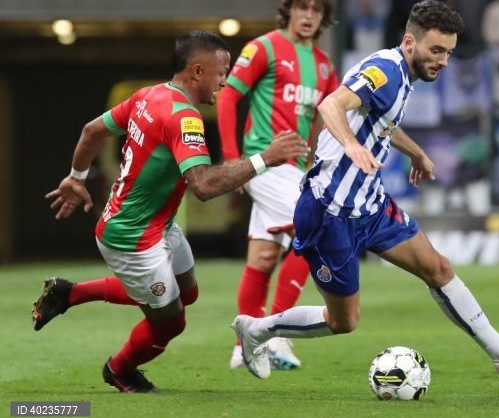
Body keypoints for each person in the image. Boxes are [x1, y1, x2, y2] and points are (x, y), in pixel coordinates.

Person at [231, 0, 499, 381]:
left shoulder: (403, 77)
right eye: (436, 51)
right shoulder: (385, 70)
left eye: (449, 53)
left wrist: (417, 153)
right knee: (344, 321)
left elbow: (383, 120)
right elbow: (331, 105)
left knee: (438, 268)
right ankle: (256, 330)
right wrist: (353, 147)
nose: (443, 61)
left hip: (369, 206)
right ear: (409, 42)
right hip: (329, 211)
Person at [32, 30, 309, 393]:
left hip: (157, 226)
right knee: (171, 323)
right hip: (132, 239)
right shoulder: (185, 118)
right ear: (196, 71)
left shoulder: (148, 95)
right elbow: (205, 186)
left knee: (186, 293)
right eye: (221, 72)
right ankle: (119, 370)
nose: (224, 82)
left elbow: (91, 131)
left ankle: (70, 293)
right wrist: (265, 159)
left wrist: (76, 177)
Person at [216, 0, 339, 371]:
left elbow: (329, 117)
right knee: (315, 234)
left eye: (315, 10)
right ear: (288, 10)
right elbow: (229, 95)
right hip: (264, 162)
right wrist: (234, 162)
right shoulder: (264, 47)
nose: (307, 16)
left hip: (296, 171)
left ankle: (242, 346)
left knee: (265, 256)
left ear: (323, 18)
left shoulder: (323, 66)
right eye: (301, 7)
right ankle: (279, 334)